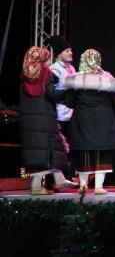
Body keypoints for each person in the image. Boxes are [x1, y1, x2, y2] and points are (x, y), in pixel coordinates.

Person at [63, 49, 115, 194]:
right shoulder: (108, 79)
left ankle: (83, 186)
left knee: (84, 153)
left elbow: (69, 103)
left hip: (82, 121)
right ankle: (98, 187)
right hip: (104, 122)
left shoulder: (76, 80)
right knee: (101, 153)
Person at [18, 46, 75, 195]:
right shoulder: (45, 72)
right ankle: (38, 187)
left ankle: (56, 180)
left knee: (37, 153)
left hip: (29, 121)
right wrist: (69, 91)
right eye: (47, 58)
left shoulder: (25, 75)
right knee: (48, 152)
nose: (49, 61)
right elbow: (52, 93)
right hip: (44, 119)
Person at [49, 35, 76, 180]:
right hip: (59, 114)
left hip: (71, 113)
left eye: (71, 50)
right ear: (59, 54)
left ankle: (69, 176)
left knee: (71, 145)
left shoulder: (71, 68)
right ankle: (58, 178)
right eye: (67, 51)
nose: (71, 53)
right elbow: (51, 91)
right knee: (60, 147)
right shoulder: (54, 69)